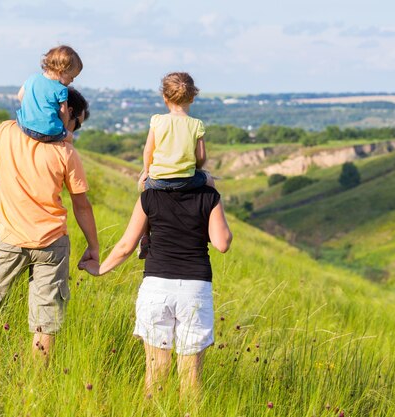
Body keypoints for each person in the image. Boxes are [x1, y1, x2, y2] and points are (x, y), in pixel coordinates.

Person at [0, 87, 99, 362]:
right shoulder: (66, 153)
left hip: (10, 238)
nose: (76, 130)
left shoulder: (5, 131)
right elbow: (82, 206)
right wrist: (93, 246)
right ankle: (36, 384)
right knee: (46, 319)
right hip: (52, 244)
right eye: (78, 123)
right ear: (68, 113)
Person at [79, 185, 232, 401]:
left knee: (156, 372)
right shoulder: (208, 195)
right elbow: (222, 243)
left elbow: (125, 246)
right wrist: (213, 192)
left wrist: (100, 269)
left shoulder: (149, 196)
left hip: (156, 289)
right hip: (194, 290)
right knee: (191, 378)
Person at [137, 72, 214, 258]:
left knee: (143, 191)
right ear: (193, 97)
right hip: (186, 180)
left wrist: (147, 172)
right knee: (210, 182)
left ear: (164, 96)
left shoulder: (157, 120)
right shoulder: (196, 124)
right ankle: (208, 228)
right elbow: (201, 156)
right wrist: (199, 169)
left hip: (158, 180)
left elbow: (148, 151)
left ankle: (145, 235)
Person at [16, 45, 83, 143]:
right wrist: (63, 129)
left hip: (24, 125)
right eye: (72, 77)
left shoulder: (33, 78)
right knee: (69, 137)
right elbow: (63, 112)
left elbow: (20, 96)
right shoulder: (61, 89)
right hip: (47, 133)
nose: (72, 81)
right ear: (61, 72)